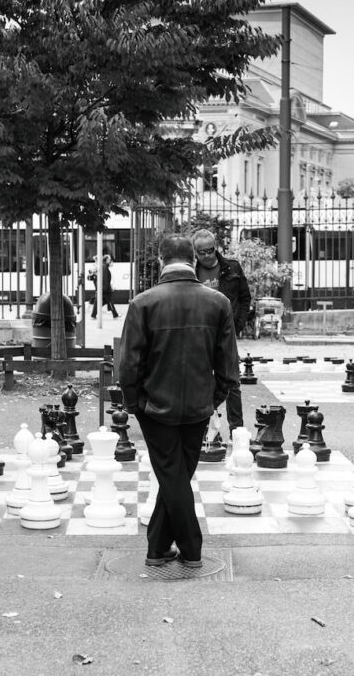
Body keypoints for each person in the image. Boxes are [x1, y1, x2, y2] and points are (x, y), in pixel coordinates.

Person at [118, 234, 239, 569]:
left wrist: (134, 404)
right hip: (199, 406)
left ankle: (190, 548)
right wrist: (214, 398)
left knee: (172, 477)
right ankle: (157, 548)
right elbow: (229, 367)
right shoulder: (218, 303)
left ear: (160, 260)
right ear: (193, 260)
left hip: (155, 408)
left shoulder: (142, 303)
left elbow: (127, 366)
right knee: (177, 476)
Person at [191, 229, 251, 431]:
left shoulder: (231, 268)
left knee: (232, 382)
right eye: (201, 252)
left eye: (210, 250)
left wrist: (239, 325)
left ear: (215, 247)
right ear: (195, 252)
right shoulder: (192, 273)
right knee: (203, 382)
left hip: (227, 333)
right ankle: (205, 428)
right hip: (202, 335)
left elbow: (244, 298)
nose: (207, 255)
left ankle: (237, 430)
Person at [90, 251, 119, 319]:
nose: (110, 260)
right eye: (109, 259)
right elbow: (105, 278)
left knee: (98, 302)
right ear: (106, 260)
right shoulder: (104, 267)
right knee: (110, 301)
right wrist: (108, 288)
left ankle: (93, 315)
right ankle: (115, 315)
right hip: (104, 288)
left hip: (101, 287)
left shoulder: (103, 266)